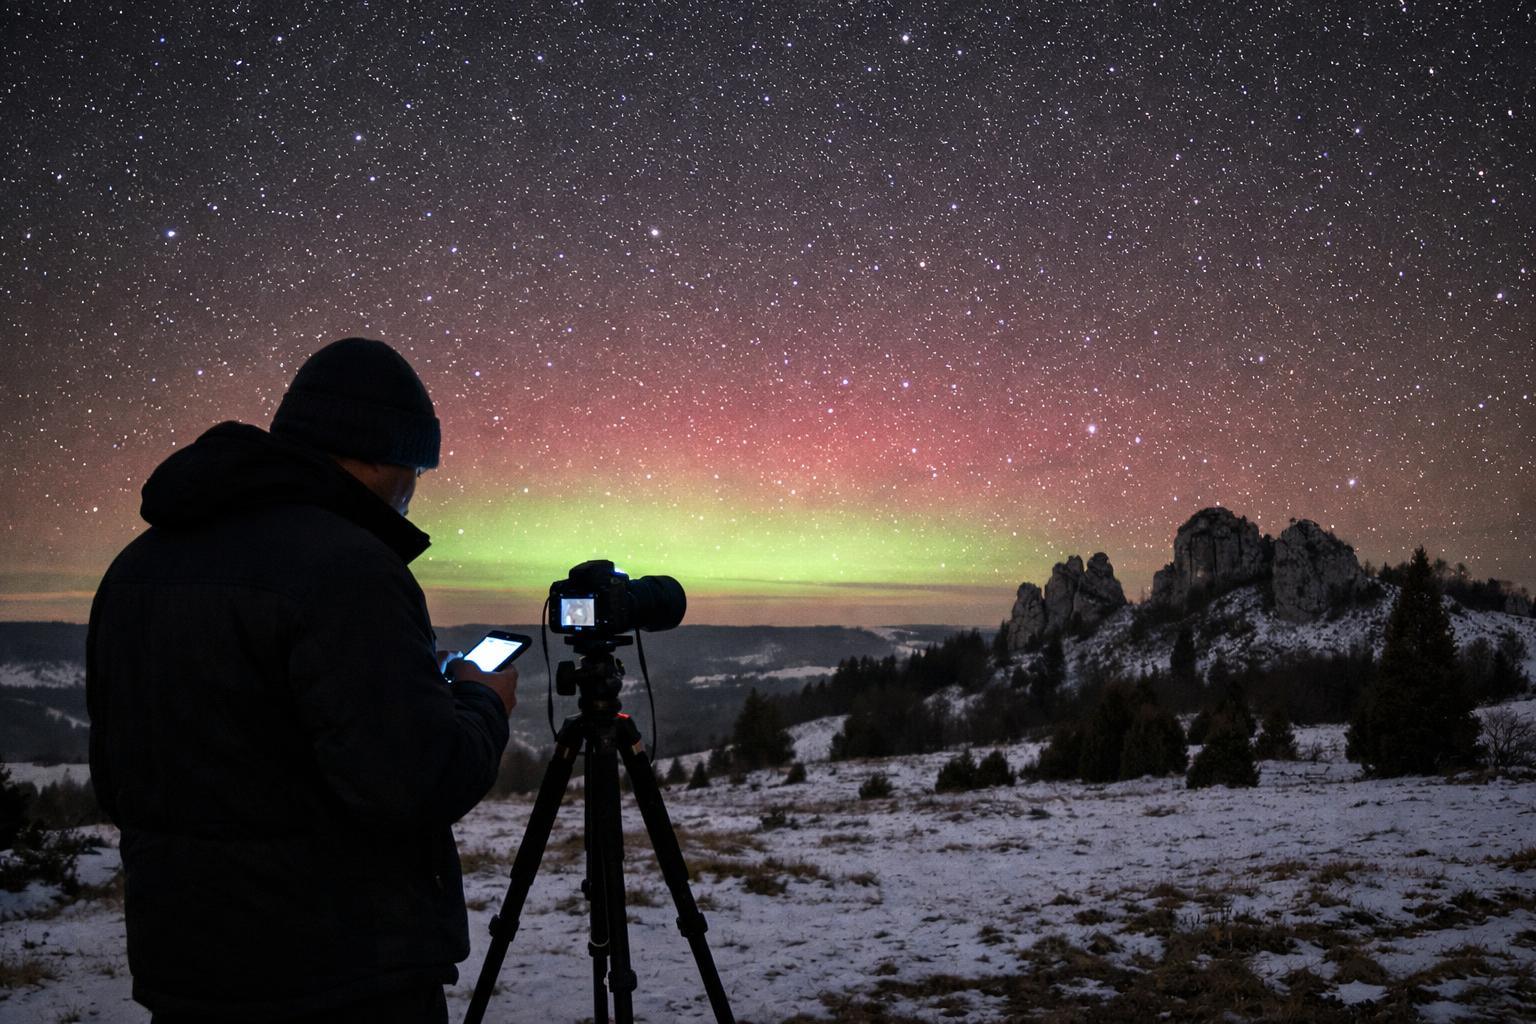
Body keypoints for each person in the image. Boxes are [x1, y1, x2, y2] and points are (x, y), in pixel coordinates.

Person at [86, 338, 518, 1023]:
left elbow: (120, 777)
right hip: (340, 972)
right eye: (415, 465)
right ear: (380, 453)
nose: (413, 488)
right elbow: (416, 782)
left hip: (186, 965)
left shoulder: (136, 566)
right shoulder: (348, 568)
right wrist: (480, 703)